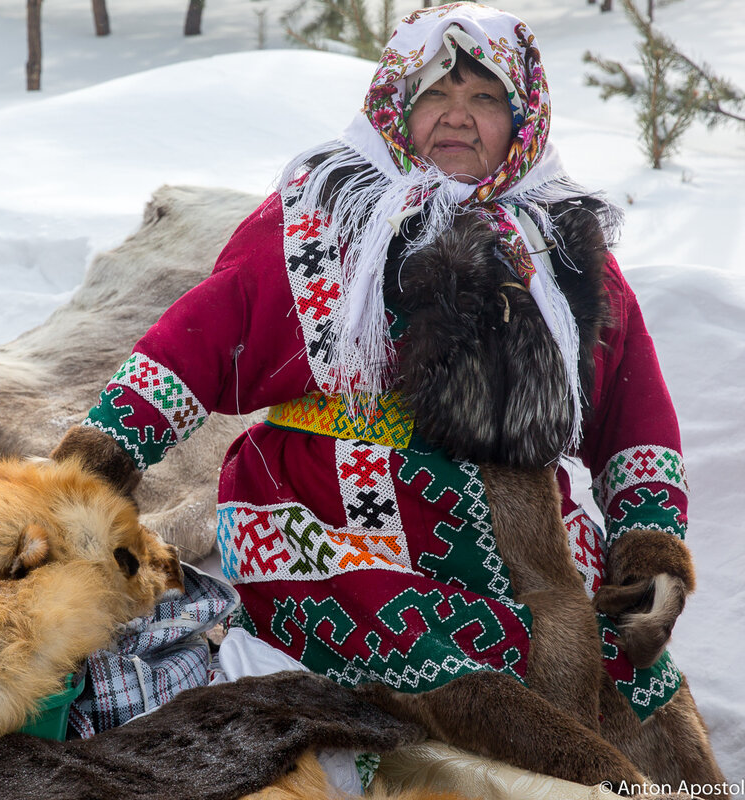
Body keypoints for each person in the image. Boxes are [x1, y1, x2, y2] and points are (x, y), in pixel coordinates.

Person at [53, 1, 723, 786]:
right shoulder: (324, 219)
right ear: (396, 109)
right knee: (441, 663)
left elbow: (632, 413)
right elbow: (202, 337)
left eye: (484, 99)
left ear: (524, 116)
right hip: (337, 523)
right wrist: (98, 460)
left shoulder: (563, 245)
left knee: (632, 677)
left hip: (530, 537)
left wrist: (649, 545)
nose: (457, 119)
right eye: (434, 95)